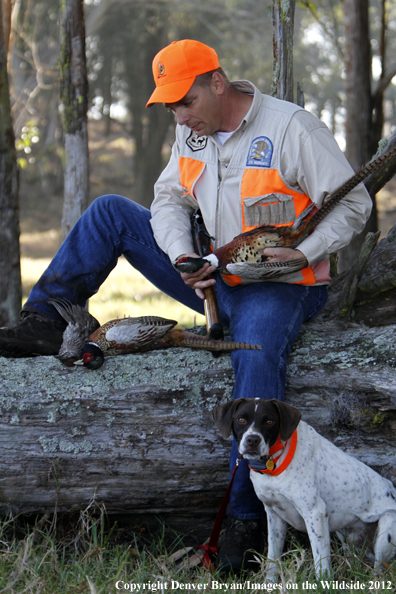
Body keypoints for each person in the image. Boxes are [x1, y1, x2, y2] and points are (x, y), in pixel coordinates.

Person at [0, 39, 371, 571]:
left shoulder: (293, 130)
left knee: (258, 349)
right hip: (214, 274)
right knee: (110, 212)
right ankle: (46, 319)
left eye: (186, 101)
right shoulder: (190, 132)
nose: (179, 114)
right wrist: (180, 256)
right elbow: (170, 198)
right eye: (171, 105)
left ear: (217, 83)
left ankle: (245, 519)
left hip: (285, 284)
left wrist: (304, 252)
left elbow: (353, 203)